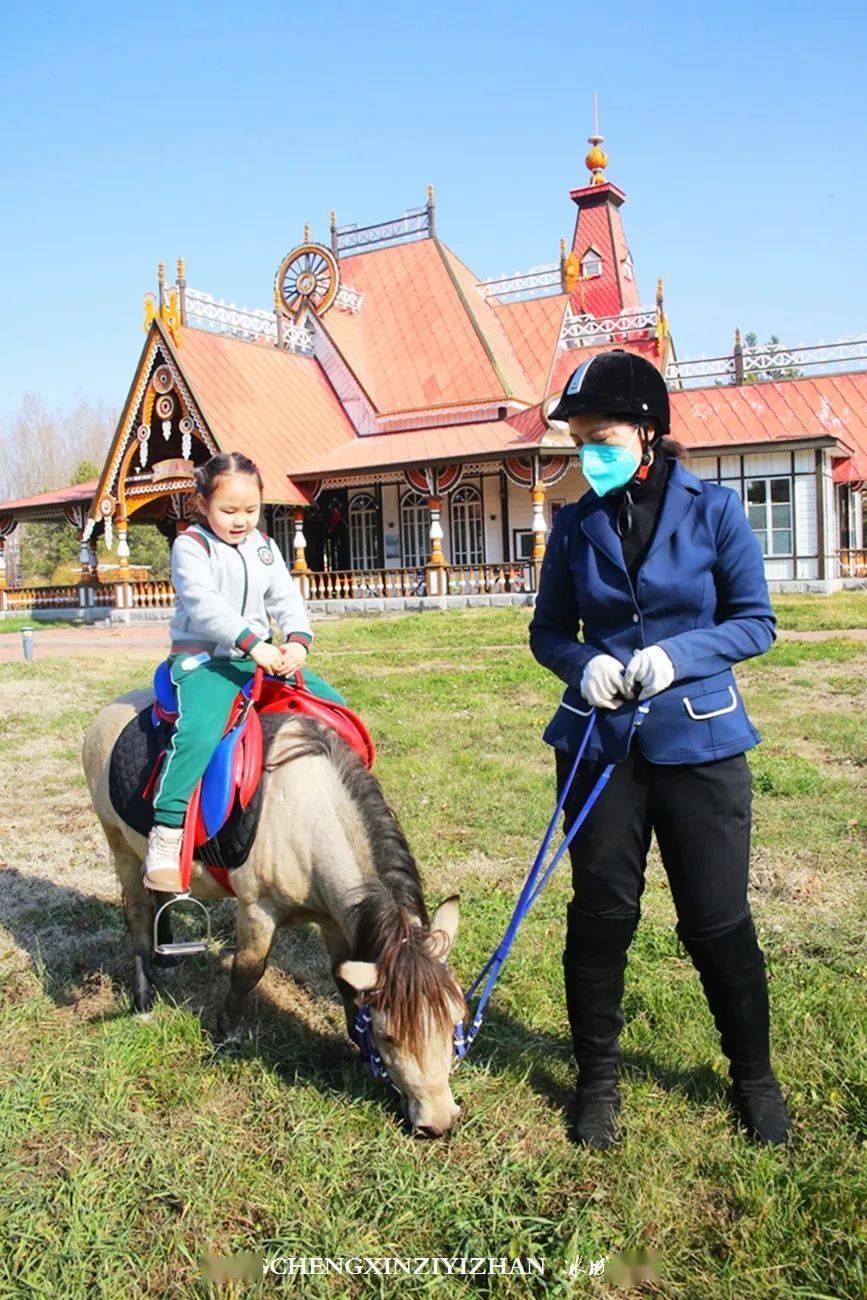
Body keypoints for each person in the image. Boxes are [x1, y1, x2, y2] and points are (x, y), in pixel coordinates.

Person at [529, 349, 792, 1148]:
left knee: (716, 922)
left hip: (701, 743)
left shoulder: (714, 513)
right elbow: (548, 634)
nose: (586, 455)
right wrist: (586, 664)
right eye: (576, 441)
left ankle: (754, 1080)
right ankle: (598, 1082)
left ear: (646, 431)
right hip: (600, 743)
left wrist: (679, 657)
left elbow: (756, 621)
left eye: (598, 436)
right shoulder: (574, 525)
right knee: (602, 917)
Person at [142, 452, 316, 893]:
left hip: (256, 658)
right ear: (202, 503)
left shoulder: (265, 547)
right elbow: (203, 605)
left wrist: (296, 639)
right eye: (229, 510)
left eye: (250, 510)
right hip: (203, 659)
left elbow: (285, 597)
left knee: (329, 706)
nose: (241, 520)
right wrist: (252, 643)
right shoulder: (190, 546)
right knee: (200, 730)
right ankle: (166, 834)